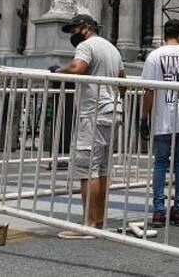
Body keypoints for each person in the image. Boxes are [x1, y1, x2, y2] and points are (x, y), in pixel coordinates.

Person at [54, 13, 126, 238]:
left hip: (93, 113)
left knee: (88, 169)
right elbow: (123, 82)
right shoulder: (112, 49)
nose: (72, 35)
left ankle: (88, 224)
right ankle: (99, 222)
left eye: (73, 30)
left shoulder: (86, 46)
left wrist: (58, 71)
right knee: (102, 170)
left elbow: (78, 68)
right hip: (113, 110)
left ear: (85, 28)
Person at [140, 19, 179, 228]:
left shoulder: (154, 56)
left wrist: (144, 116)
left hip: (162, 118)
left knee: (160, 164)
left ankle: (158, 211)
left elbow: (148, 90)